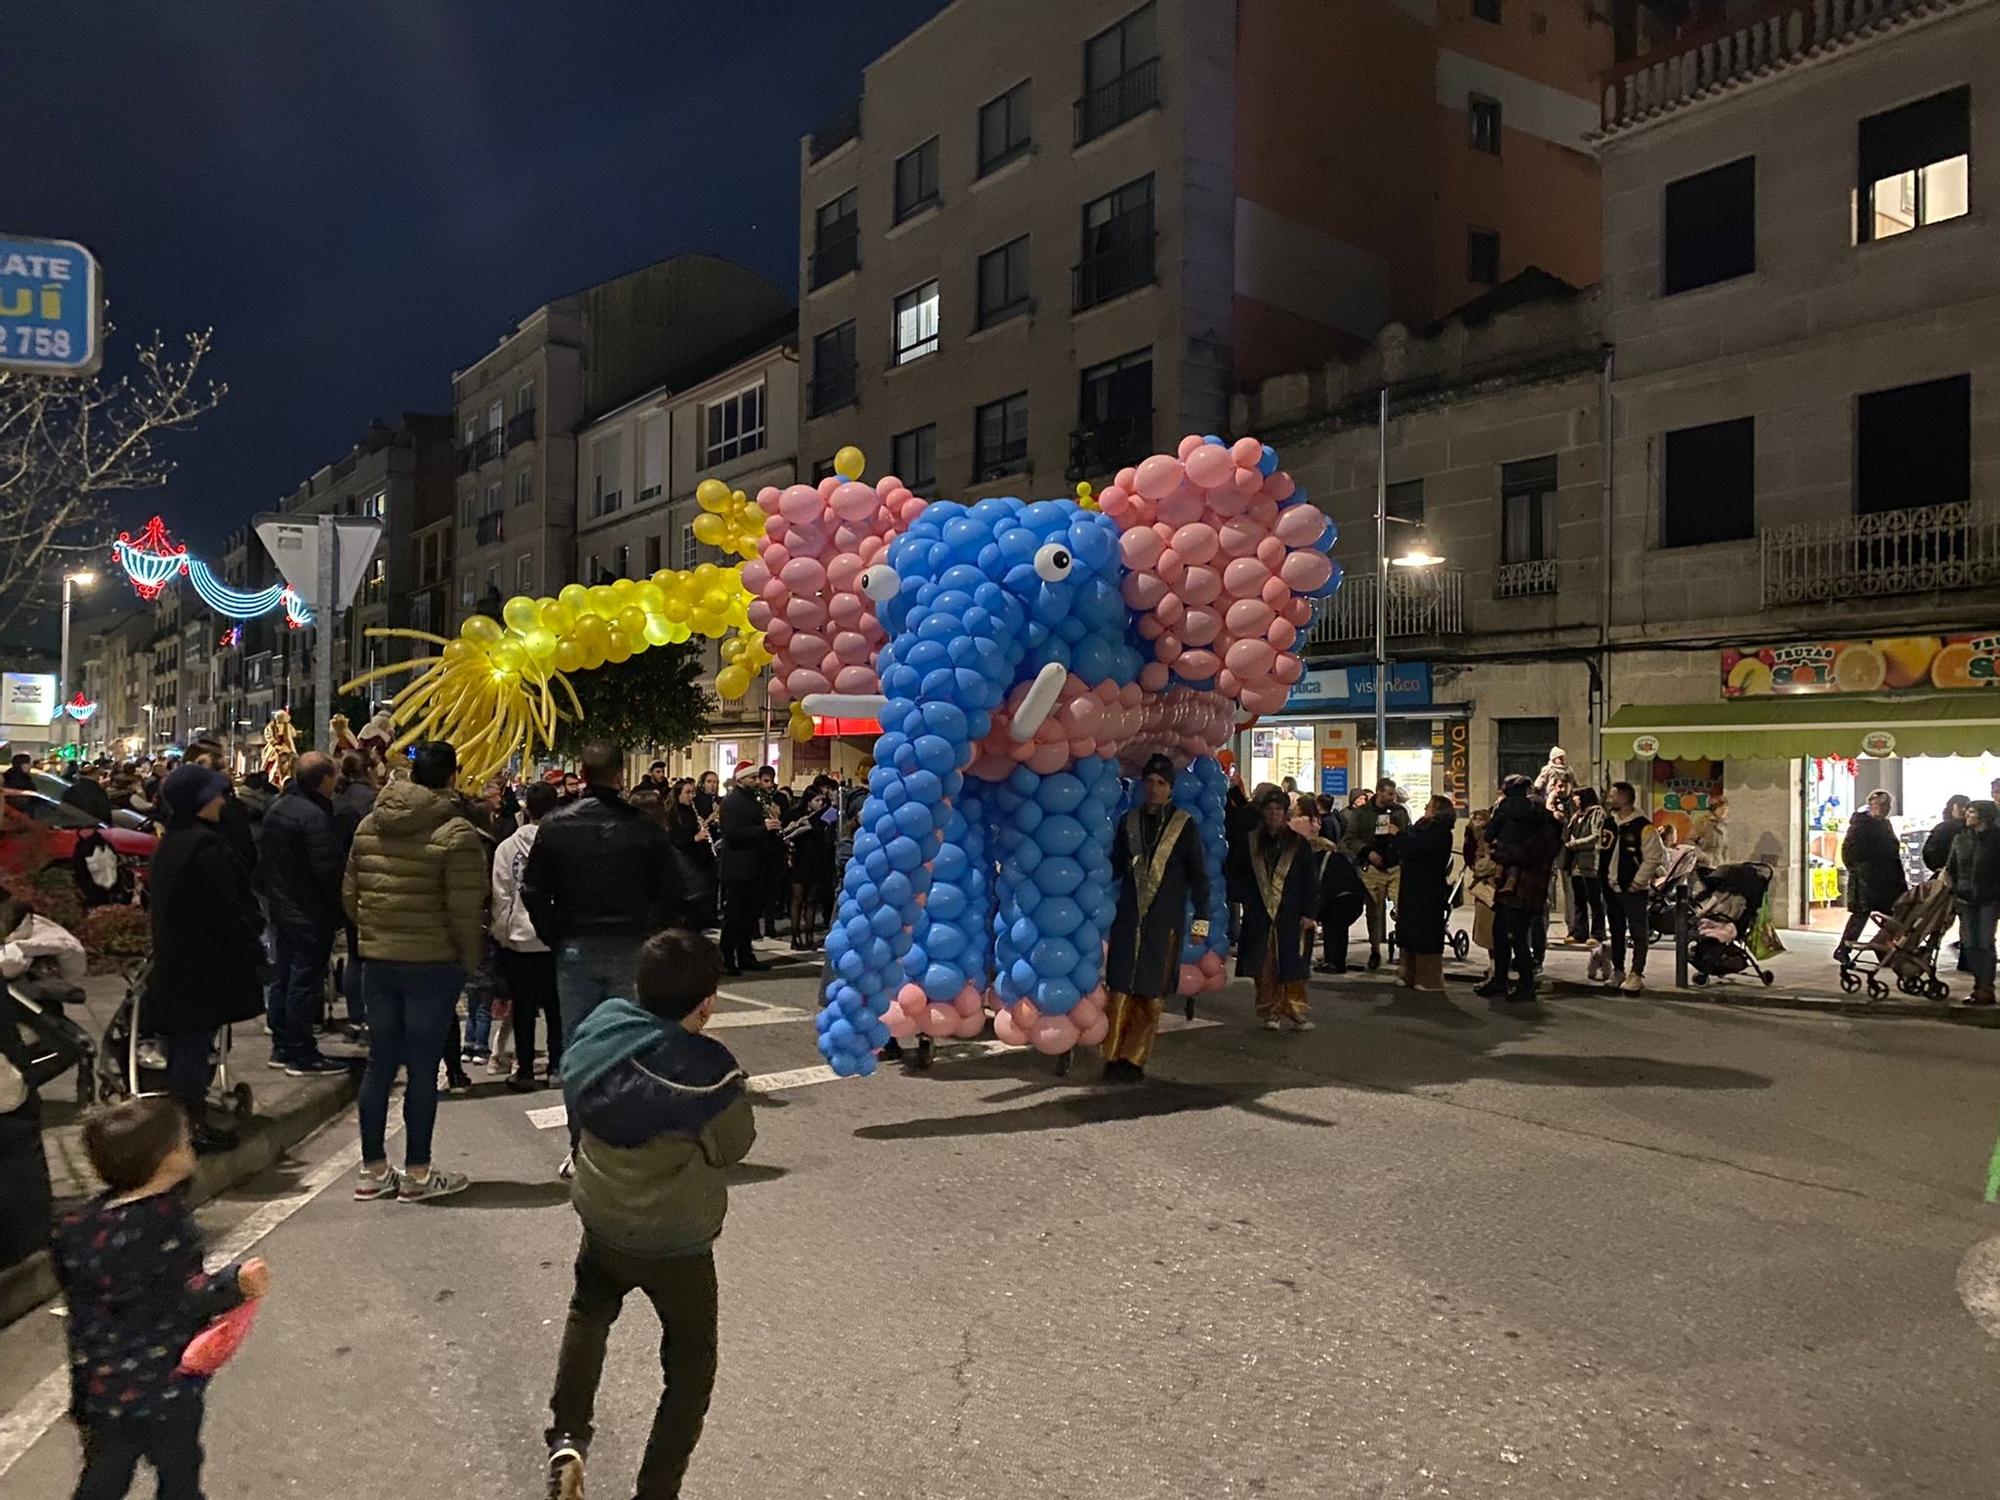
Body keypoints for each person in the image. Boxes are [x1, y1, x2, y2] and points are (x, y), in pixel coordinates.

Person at [543, 929, 754, 1500]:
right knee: (690, 1368)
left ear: (640, 986)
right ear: (706, 1004)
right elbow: (735, 1144)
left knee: (588, 1315)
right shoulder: (709, 1070)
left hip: (603, 1219)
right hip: (678, 1242)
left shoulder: (602, 1028)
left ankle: (567, 1436)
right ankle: (656, 1489)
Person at [52, 1096, 272, 1500]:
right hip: (161, 1387)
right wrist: (236, 1283)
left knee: (104, 1474)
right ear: (165, 1160)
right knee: (179, 1465)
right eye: (185, 1142)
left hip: (98, 1386)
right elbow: (185, 1299)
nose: (191, 1147)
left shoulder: (76, 1225)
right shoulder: (164, 1225)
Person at [345, 741, 485, 1204]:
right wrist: (469, 960)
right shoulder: (456, 832)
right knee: (424, 1069)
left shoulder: (370, 824)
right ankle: (418, 1173)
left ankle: (372, 1169)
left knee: (380, 1063)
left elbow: (351, 894)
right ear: (452, 776)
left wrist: (374, 931)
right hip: (431, 963)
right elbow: (465, 910)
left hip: (379, 960)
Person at [523, 741, 682, 1076]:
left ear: (582, 775)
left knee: (579, 1044)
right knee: (630, 1044)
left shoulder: (556, 825)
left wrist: (554, 934)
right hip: (631, 941)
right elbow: (672, 889)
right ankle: (624, 1119)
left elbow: (534, 890)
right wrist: (652, 930)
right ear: (620, 776)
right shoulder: (643, 826)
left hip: (576, 943)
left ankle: (580, 1120)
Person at [145, 765, 267, 1155]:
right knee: (193, 1050)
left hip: (178, 962)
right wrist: (252, 948)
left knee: (187, 1045)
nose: (222, 801)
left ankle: (183, 1125)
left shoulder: (173, 842)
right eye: (216, 795)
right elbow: (226, 909)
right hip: (202, 966)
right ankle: (189, 1128)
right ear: (199, 801)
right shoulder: (205, 847)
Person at [1100, 755, 1211, 1083]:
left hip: (1165, 924)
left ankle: (1135, 1060)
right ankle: (1112, 1055)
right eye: (1149, 782)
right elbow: (1115, 868)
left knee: (1150, 993)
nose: (1153, 788)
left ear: (1171, 789)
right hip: (1129, 919)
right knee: (1119, 988)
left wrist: (1201, 924)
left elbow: (1199, 879)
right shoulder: (1128, 821)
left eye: (1160, 783)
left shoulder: (1184, 826)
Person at [256, 751, 349, 1075]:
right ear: (323, 779)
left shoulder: (279, 808)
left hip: (284, 909)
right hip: (309, 913)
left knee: (285, 979)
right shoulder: (313, 816)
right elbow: (327, 870)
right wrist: (339, 907)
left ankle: (282, 1045)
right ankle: (300, 1052)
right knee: (303, 984)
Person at [492, 781, 564, 1091]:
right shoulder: (563, 844)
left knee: (522, 1007)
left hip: (520, 938)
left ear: (526, 809)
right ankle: (557, 1065)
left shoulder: (508, 847)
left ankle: (524, 1069)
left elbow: (501, 895)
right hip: (556, 937)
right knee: (555, 1007)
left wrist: (503, 933)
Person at [1231, 786, 1320, 1031]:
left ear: (1285, 813)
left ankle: (1295, 1008)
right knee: (1265, 964)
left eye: (1278, 809)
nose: (1273, 814)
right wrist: (1247, 897)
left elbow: (1309, 881)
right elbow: (1236, 873)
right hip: (1259, 912)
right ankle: (1269, 1010)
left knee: (1292, 963)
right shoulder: (1250, 842)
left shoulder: (1298, 844)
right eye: (1269, 809)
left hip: (1290, 913)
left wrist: (1309, 913)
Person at [1479, 777, 1563, 1001]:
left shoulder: (1544, 832)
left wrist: (1499, 853)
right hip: (1515, 887)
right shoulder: (1532, 827)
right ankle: (1500, 980)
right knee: (1500, 933)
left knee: (1518, 936)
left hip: (1528, 888)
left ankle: (1526, 985)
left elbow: (1527, 855)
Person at [1598, 780, 1665, 994]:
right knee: (1616, 930)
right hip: (1610, 886)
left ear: (1625, 799)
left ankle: (1637, 973)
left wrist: (1639, 881)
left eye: (1613, 795)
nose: (1610, 799)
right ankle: (1618, 970)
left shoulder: (1643, 826)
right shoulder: (1609, 823)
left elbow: (1653, 857)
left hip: (1633, 888)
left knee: (1638, 931)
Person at [1340, 778, 1408, 971]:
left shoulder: (1399, 812)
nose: (1393, 797)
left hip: (1395, 866)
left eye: (1393, 794)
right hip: (1372, 867)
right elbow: (1349, 839)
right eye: (1389, 794)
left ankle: (1404, 950)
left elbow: (1408, 834)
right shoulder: (1362, 814)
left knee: (1402, 907)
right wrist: (1367, 852)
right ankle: (1375, 949)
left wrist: (1399, 835)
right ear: (1379, 792)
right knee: (1374, 911)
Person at [716, 763, 777, 976]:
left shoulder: (754, 800)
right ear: (740, 780)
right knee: (734, 916)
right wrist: (763, 828)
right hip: (738, 867)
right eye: (752, 778)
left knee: (749, 916)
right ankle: (726, 957)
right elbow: (732, 833)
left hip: (754, 866)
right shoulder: (732, 802)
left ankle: (745, 955)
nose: (756, 782)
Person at [1394, 795, 1458, 991]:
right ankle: (1408, 972)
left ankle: (1429, 977)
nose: (1425, 808)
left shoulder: (1441, 833)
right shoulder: (1420, 827)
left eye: (1430, 806)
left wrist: (1399, 835)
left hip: (1428, 888)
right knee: (1409, 928)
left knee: (1424, 931)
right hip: (1411, 885)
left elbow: (1419, 848)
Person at [1836, 789, 1907, 962]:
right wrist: (1858, 870)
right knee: (1861, 915)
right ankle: (1843, 949)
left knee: (1889, 918)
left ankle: (1882, 949)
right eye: (1880, 805)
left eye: (1886, 805)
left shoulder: (1885, 824)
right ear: (1872, 804)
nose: (1884, 809)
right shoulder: (1861, 825)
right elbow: (1848, 852)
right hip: (1866, 879)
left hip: (1886, 879)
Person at [1949, 800, 2000, 1006]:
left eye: (1972, 812)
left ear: (1984, 816)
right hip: (1964, 898)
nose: (1967, 815)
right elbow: (1951, 866)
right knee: (1969, 944)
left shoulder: (1996, 840)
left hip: (1989, 897)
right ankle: (1978, 985)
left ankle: (1985, 988)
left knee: (1984, 942)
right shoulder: (1960, 839)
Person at [781, 786, 836, 950]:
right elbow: (783, 833)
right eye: (817, 800)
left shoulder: (824, 815)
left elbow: (825, 835)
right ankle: (795, 936)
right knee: (797, 898)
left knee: (811, 900)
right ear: (808, 801)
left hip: (816, 860)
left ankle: (809, 936)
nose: (820, 804)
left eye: (822, 800)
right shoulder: (795, 814)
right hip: (798, 859)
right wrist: (794, 830)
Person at [1563, 787, 1607, 944]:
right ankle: (1579, 932)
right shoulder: (1577, 816)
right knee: (1579, 900)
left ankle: (1597, 933)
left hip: (1590, 863)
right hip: (1576, 864)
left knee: (1594, 900)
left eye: (1577, 796)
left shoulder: (1597, 813)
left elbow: (1596, 836)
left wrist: (1574, 844)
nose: (1575, 799)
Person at [1923, 795, 1970, 874]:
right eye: (1960, 806)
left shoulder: (1941, 828)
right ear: (1951, 807)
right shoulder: (1944, 828)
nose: (1963, 809)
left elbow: (1929, 853)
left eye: (1966, 807)